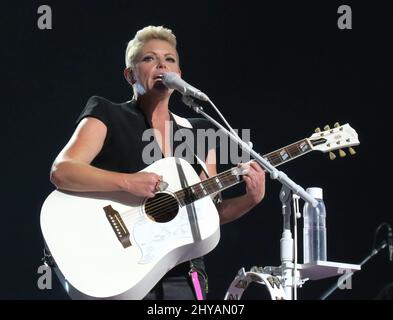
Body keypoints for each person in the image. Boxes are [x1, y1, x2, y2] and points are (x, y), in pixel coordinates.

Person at [50, 25, 266, 300]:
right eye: (149, 58)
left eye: (170, 59)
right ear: (130, 74)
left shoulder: (200, 131)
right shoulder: (106, 113)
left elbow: (208, 215)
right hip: (118, 270)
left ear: (179, 76)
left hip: (182, 277)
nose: (162, 64)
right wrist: (128, 182)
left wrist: (250, 199)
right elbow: (63, 171)